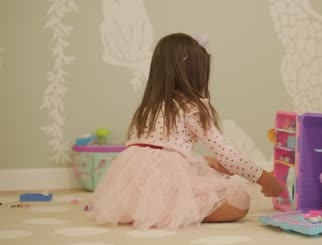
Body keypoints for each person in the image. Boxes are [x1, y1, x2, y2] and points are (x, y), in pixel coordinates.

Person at [90, 33, 283, 230]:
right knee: (240, 201)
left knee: (205, 177)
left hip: (134, 186)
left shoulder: (148, 107)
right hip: (167, 184)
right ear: (195, 73)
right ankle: (171, 211)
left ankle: (148, 209)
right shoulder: (193, 107)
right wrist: (265, 180)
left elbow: (161, 151)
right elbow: (228, 156)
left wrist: (206, 162)